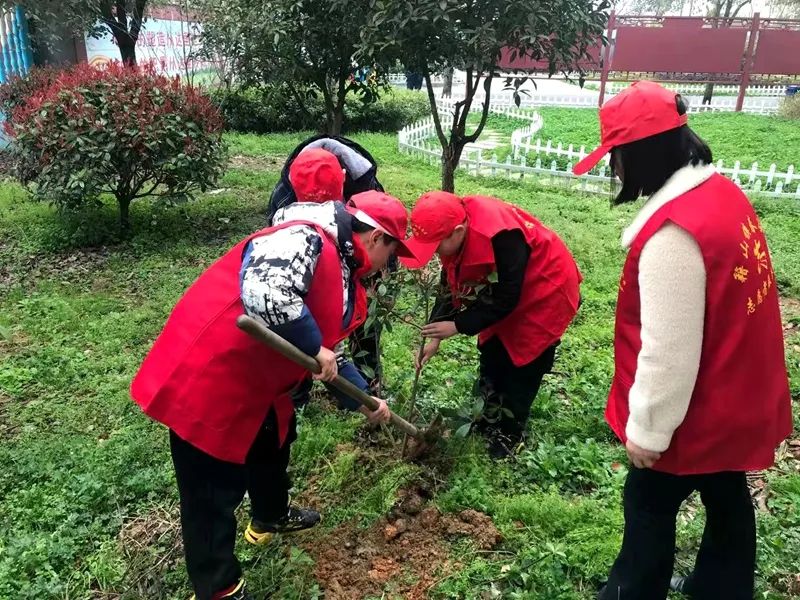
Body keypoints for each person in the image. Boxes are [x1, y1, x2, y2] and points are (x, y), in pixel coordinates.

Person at [130, 174, 416, 599]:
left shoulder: (342, 262)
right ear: (376, 238)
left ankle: (269, 515)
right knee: (210, 490)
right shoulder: (305, 237)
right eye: (393, 253)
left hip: (260, 379)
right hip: (213, 373)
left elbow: (327, 353)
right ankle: (218, 587)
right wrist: (312, 347)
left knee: (272, 442)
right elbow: (266, 293)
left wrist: (363, 397)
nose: (389, 265)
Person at [572, 81, 792, 600]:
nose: (614, 169)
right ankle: (723, 587)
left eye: (616, 156)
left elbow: (668, 353)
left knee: (648, 504)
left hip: (693, 414)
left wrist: (647, 430)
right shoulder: (722, 195)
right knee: (727, 496)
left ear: (639, 153)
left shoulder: (673, 237)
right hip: (735, 399)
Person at [401, 192, 582, 458]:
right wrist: (435, 334)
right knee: (493, 351)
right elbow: (450, 278)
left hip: (544, 288)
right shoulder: (455, 230)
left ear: (458, 231)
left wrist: (459, 325)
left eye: (436, 247)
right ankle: (486, 418)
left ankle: (509, 432)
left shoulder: (501, 236)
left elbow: (508, 296)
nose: (435, 255)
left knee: (523, 364)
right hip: (503, 291)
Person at [269, 138, 391, 401]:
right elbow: (274, 298)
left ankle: (365, 384)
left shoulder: (364, 191)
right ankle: (296, 392)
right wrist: (315, 346)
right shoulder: (310, 239)